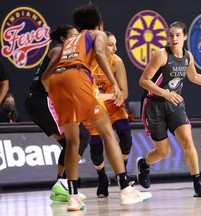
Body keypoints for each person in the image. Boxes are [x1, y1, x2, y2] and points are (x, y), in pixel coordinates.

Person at [41, 4, 151, 211]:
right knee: (108, 133)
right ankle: (126, 189)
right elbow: (100, 54)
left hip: (57, 81)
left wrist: (52, 90)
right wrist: (115, 84)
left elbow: (47, 75)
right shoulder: (97, 34)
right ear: (99, 23)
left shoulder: (69, 40)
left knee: (72, 142)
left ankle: (73, 197)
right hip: (77, 76)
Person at [137, 21, 201, 197]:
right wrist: (165, 93)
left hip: (175, 104)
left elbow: (193, 76)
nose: (174, 38)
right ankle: (145, 164)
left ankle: (198, 183)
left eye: (178, 35)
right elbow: (143, 81)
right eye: (171, 35)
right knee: (164, 152)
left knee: (187, 141)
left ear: (185, 36)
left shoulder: (188, 57)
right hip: (154, 105)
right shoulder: (162, 55)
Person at [25, 24, 89, 202]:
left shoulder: (64, 52)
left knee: (69, 144)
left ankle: (59, 186)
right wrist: (58, 99)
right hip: (42, 100)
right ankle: (63, 183)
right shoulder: (60, 50)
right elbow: (46, 78)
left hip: (35, 103)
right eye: (73, 35)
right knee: (81, 136)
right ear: (63, 38)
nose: (77, 39)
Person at [85, 31, 133, 198]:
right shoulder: (88, 62)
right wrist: (104, 96)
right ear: (100, 45)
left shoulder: (116, 61)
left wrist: (105, 96)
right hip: (94, 109)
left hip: (114, 107)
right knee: (96, 150)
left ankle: (123, 172)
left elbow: (124, 93)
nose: (115, 48)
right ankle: (102, 178)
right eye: (110, 44)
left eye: (115, 44)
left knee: (126, 138)